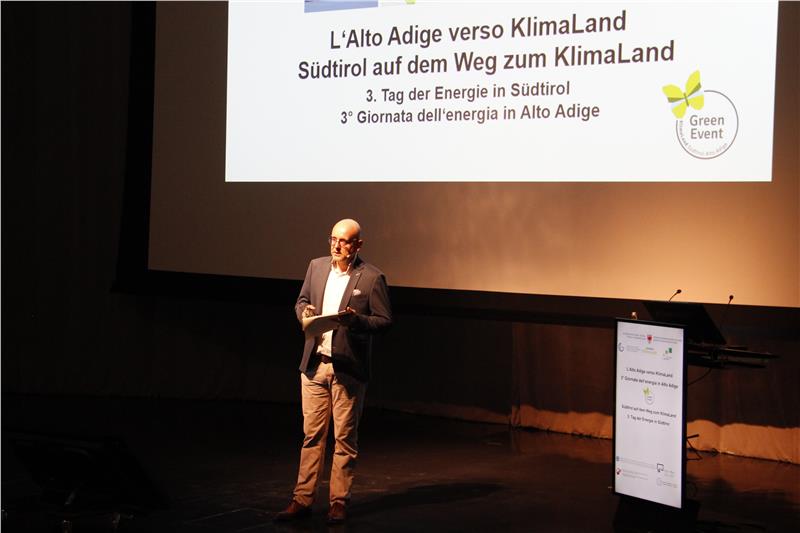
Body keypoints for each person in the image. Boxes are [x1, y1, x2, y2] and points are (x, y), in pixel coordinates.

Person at [275, 218, 392, 524]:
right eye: (333, 239)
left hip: (347, 368)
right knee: (312, 436)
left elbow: (384, 320)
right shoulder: (316, 267)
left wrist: (357, 321)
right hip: (314, 365)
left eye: (344, 241)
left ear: (358, 245)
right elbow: (301, 301)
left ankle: (338, 502)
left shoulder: (372, 277)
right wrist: (305, 312)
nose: (337, 246)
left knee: (344, 439)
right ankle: (302, 499)